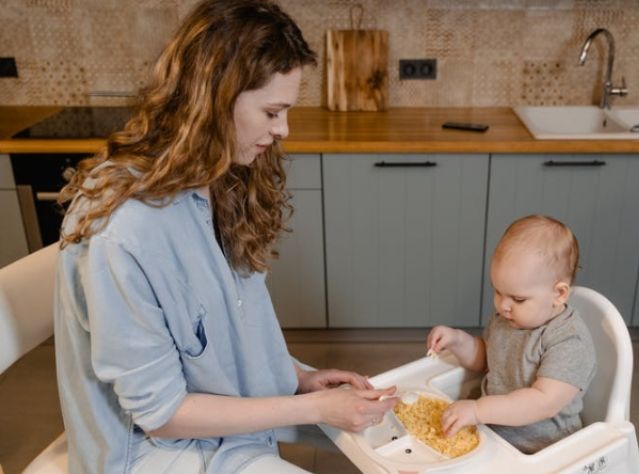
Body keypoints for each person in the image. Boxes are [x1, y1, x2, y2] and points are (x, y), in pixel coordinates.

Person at [53, 1, 397, 473]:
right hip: (150, 454)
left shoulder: (220, 178)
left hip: (224, 433)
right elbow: (161, 414)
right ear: (215, 99)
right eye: (273, 112)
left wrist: (298, 379)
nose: (283, 130)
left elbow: (222, 336)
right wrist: (313, 409)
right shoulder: (124, 231)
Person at [427, 215, 596, 454]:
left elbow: (543, 402)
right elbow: (488, 360)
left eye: (518, 299)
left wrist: (478, 410)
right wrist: (457, 340)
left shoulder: (569, 341)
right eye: (497, 291)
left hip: (540, 451)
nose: (502, 305)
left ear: (558, 294)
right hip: (491, 435)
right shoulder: (509, 318)